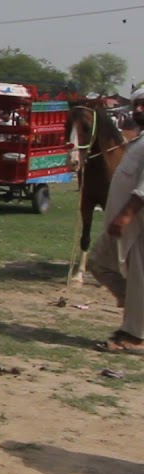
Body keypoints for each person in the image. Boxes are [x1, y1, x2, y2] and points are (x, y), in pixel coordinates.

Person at [89, 87, 144, 353]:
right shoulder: (137, 141)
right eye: (137, 105)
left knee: (140, 278)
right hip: (123, 226)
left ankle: (135, 337)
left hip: (136, 224)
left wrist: (125, 216)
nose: (139, 110)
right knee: (99, 263)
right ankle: (135, 310)